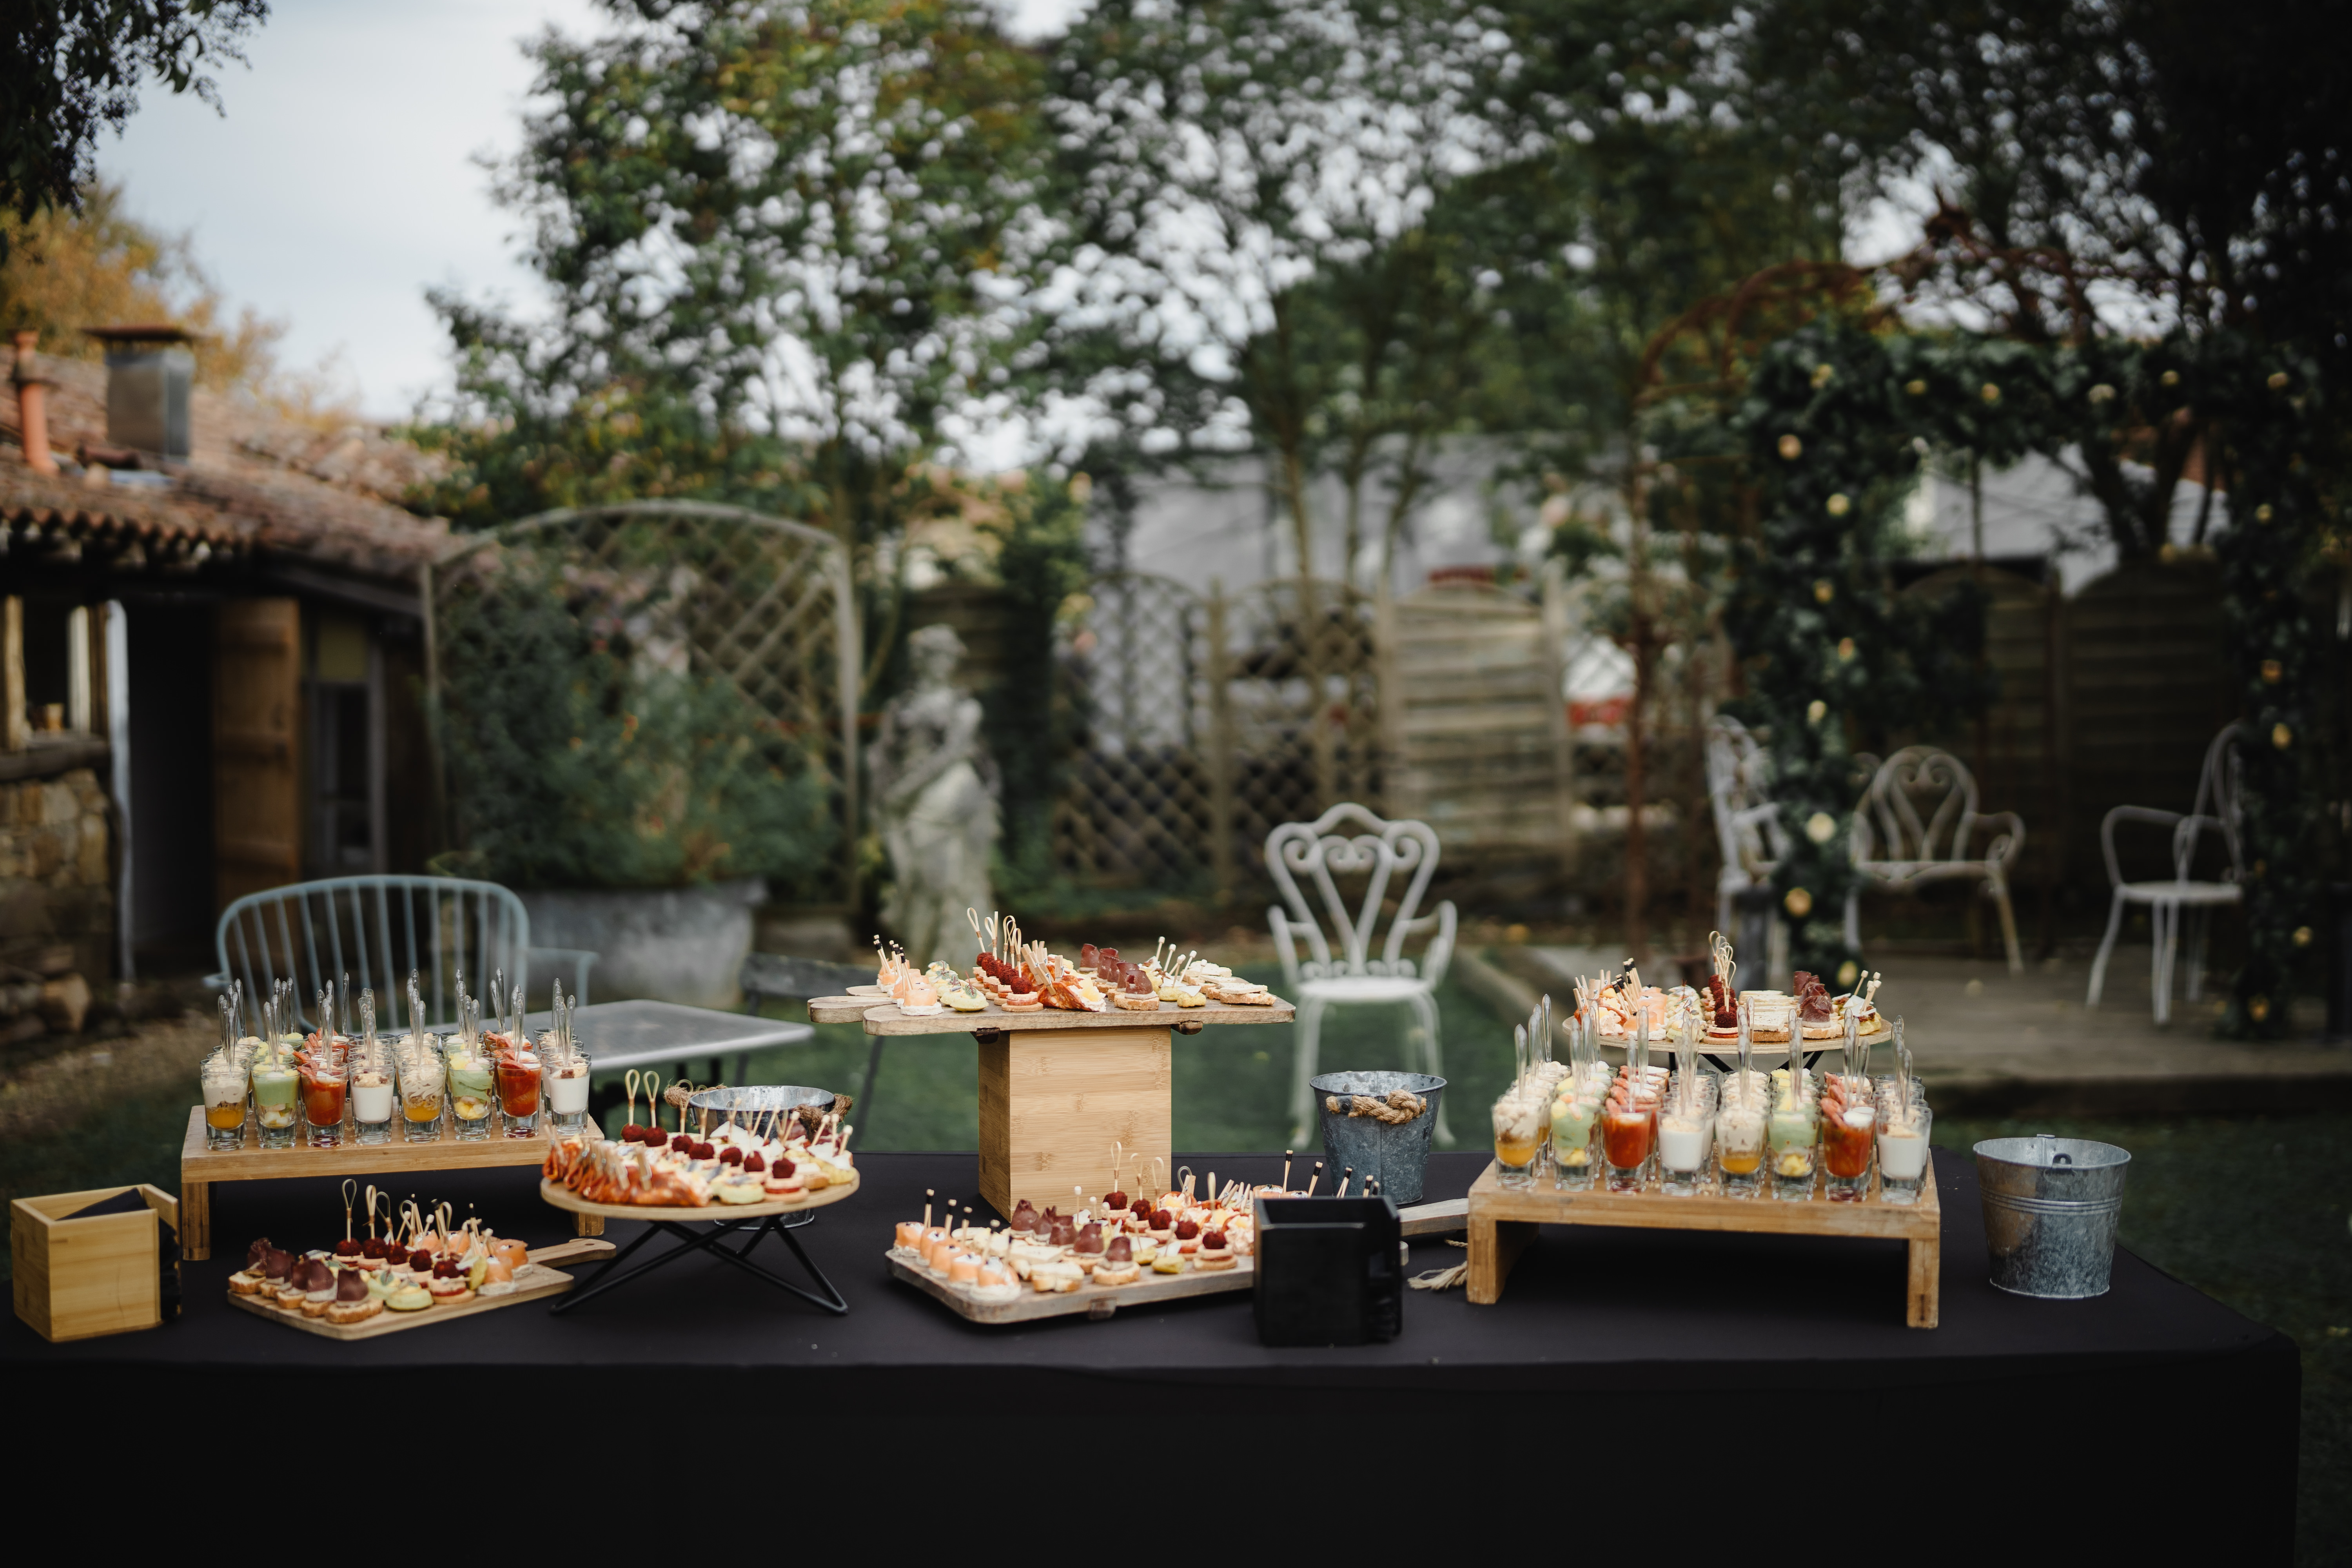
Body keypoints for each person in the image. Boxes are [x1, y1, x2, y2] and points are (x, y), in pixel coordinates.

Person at [868, 625, 999, 966]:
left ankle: (960, 960)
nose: (945, 663)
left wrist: (903, 791)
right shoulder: (901, 707)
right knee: (913, 878)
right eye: (938, 655)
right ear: (921, 659)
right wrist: (886, 796)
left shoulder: (965, 708)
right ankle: (928, 959)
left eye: (949, 656)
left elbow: (952, 753)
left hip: (952, 796)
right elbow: (883, 756)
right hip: (910, 801)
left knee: (952, 880)